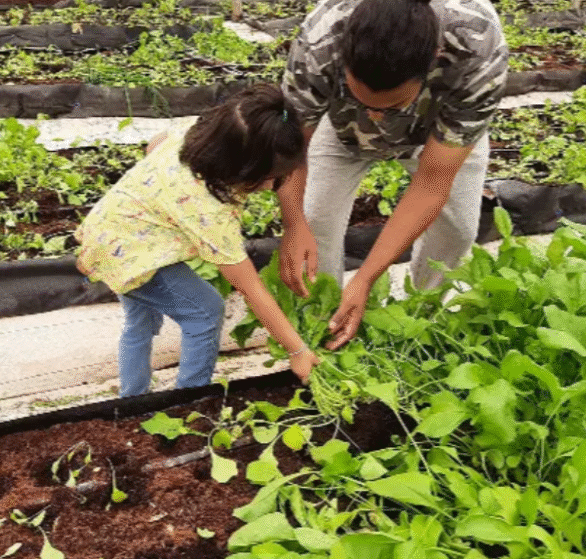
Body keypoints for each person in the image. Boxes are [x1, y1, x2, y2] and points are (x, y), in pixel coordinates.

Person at [277, 0, 508, 349]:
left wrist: (366, 279)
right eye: (364, 100)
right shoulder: (320, 40)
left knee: (458, 229)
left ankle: (420, 316)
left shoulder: (479, 47)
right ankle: (323, 323)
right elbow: (291, 151)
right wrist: (294, 225)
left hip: (439, 128)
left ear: (434, 57)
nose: (378, 118)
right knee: (314, 218)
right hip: (342, 129)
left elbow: (432, 184)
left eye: (391, 106)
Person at [74, 83, 319, 398]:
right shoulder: (208, 208)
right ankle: (188, 403)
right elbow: (249, 287)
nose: (273, 185)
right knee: (205, 311)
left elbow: (155, 144)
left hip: (109, 231)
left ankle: (131, 401)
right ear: (237, 168)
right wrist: (297, 349)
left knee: (140, 322)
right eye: (267, 177)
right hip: (132, 252)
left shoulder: (196, 135)